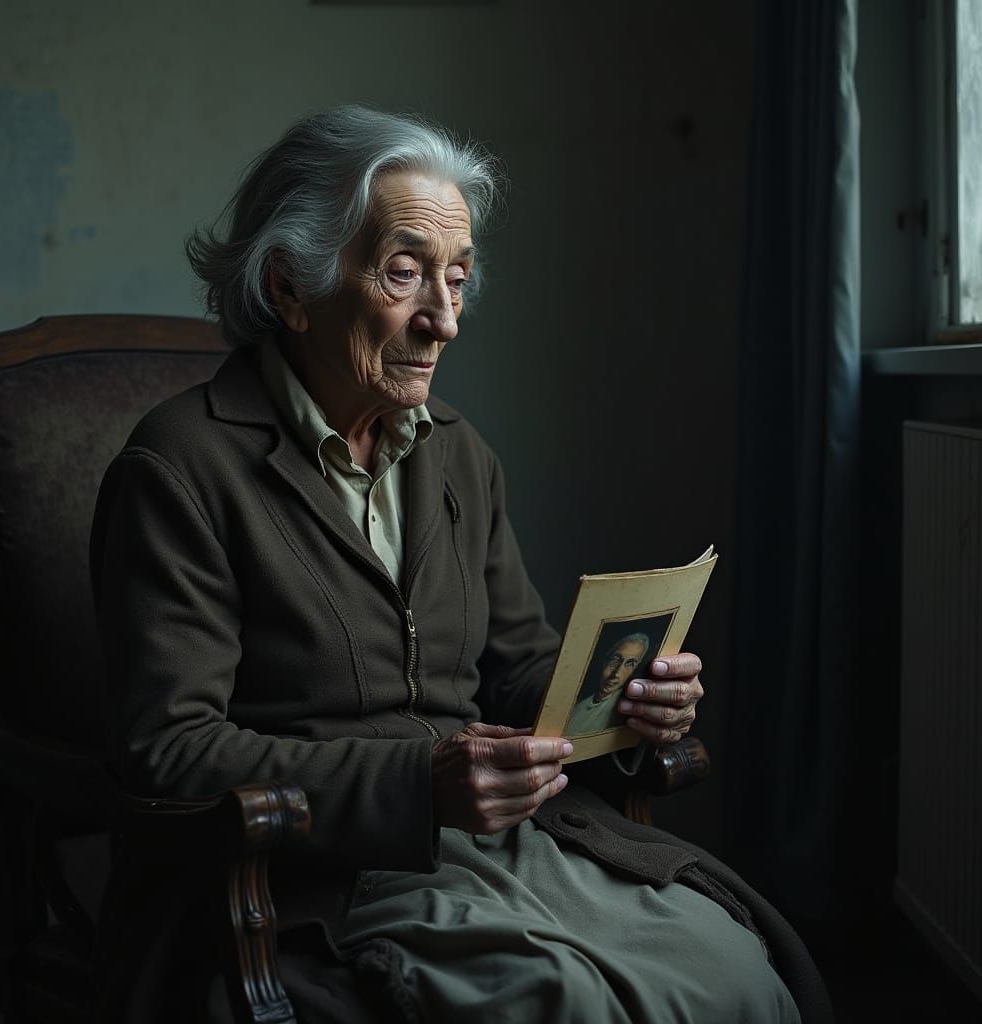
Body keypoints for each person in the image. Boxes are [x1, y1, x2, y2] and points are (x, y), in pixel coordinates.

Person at [91, 106, 829, 1023]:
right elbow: (169, 748)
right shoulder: (180, 467)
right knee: (561, 1002)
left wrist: (624, 699)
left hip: (498, 841)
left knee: (737, 972)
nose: (443, 321)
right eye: (405, 273)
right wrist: (418, 783)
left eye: (458, 277)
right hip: (308, 874)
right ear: (290, 285)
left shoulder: (457, 453)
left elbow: (516, 669)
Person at [567, 632, 650, 736]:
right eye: (615, 661)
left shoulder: (624, 710)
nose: (617, 673)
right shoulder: (578, 707)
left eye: (630, 664)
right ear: (605, 660)